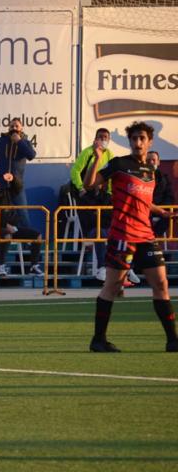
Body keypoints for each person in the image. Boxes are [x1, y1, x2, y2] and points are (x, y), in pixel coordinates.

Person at [83, 121, 178, 353]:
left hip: (146, 234)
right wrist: (96, 159)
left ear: (149, 142)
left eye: (142, 138)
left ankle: (173, 340)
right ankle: (98, 340)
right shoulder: (118, 164)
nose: (138, 142)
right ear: (130, 141)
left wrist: (161, 212)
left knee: (161, 283)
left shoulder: (150, 171)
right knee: (112, 285)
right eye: (134, 138)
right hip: (122, 235)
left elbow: (145, 202)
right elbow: (89, 184)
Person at [0, 173, 45, 276]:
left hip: (12, 228)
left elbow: (18, 188)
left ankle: (34, 266)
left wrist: (13, 179)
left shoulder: (4, 193)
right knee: (7, 235)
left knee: (37, 235)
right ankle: (1, 267)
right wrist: (6, 225)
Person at [70, 128, 113, 277]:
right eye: (100, 137)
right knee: (98, 230)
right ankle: (102, 268)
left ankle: (127, 269)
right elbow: (75, 171)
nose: (103, 139)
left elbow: (113, 176)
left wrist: (108, 193)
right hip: (87, 194)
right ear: (95, 139)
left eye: (105, 137)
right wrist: (81, 188)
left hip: (103, 196)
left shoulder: (110, 155)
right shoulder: (87, 152)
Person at [0, 118, 36, 227]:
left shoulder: (25, 142)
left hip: (17, 186)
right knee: (1, 217)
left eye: (16, 126)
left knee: (23, 216)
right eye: (12, 126)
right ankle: (3, 242)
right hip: (1, 185)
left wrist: (19, 141)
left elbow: (31, 155)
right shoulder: (1, 141)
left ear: (21, 128)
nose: (14, 128)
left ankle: (27, 243)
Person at [147, 150, 174, 239]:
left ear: (158, 162)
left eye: (153, 160)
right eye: (148, 160)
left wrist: (162, 209)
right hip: (145, 209)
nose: (151, 162)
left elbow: (169, 195)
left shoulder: (164, 178)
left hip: (160, 208)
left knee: (169, 216)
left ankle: (153, 237)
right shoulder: (138, 177)